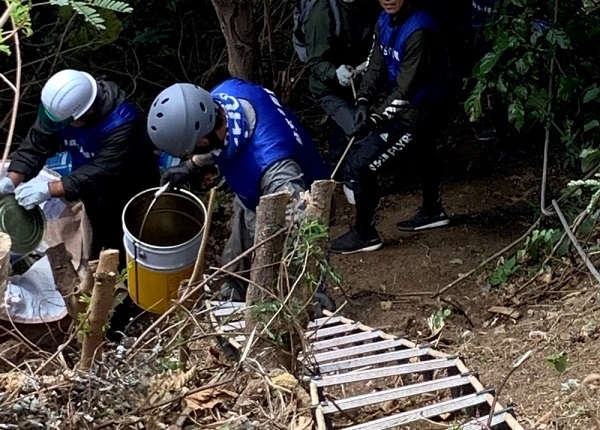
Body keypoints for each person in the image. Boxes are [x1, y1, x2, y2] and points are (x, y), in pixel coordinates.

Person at [147, 78, 329, 302]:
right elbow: (222, 142)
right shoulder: (225, 93)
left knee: (272, 257)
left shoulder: (276, 170)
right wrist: (192, 165)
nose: (189, 154)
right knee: (235, 258)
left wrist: (314, 287)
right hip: (250, 190)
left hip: (284, 201)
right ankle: (232, 294)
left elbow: (305, 228)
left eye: (190, 150)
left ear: (203, 141)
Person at [0, 69, 159, 267]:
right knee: (98, 242)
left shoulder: (122, 122)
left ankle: (131, 288)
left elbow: (103, 171)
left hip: (129, 191)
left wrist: (49, 190)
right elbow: (37, 143)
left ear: (88, 111)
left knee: (130, 244)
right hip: (89, 189)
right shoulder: (60, 111)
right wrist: (11, 178)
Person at [330, 0, 451, 254]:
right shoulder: (384, 19)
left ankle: (364, 233)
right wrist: (363, 101)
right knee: (423, 150)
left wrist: (374, 118)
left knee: (360, 165)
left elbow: (407, 89)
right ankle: (432, 210)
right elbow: (376, 63)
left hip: (421, 108)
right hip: (412, 104)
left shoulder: (420, 29)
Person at [304, 0, 380, 170]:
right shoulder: (322, 13)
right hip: (328, 90)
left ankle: (334, 175)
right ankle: (355, 180)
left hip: (358, 83)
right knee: (360, 130)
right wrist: (334, 72)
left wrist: (363, 67)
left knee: (342, 135)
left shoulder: (370, 6)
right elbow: (314, 61)